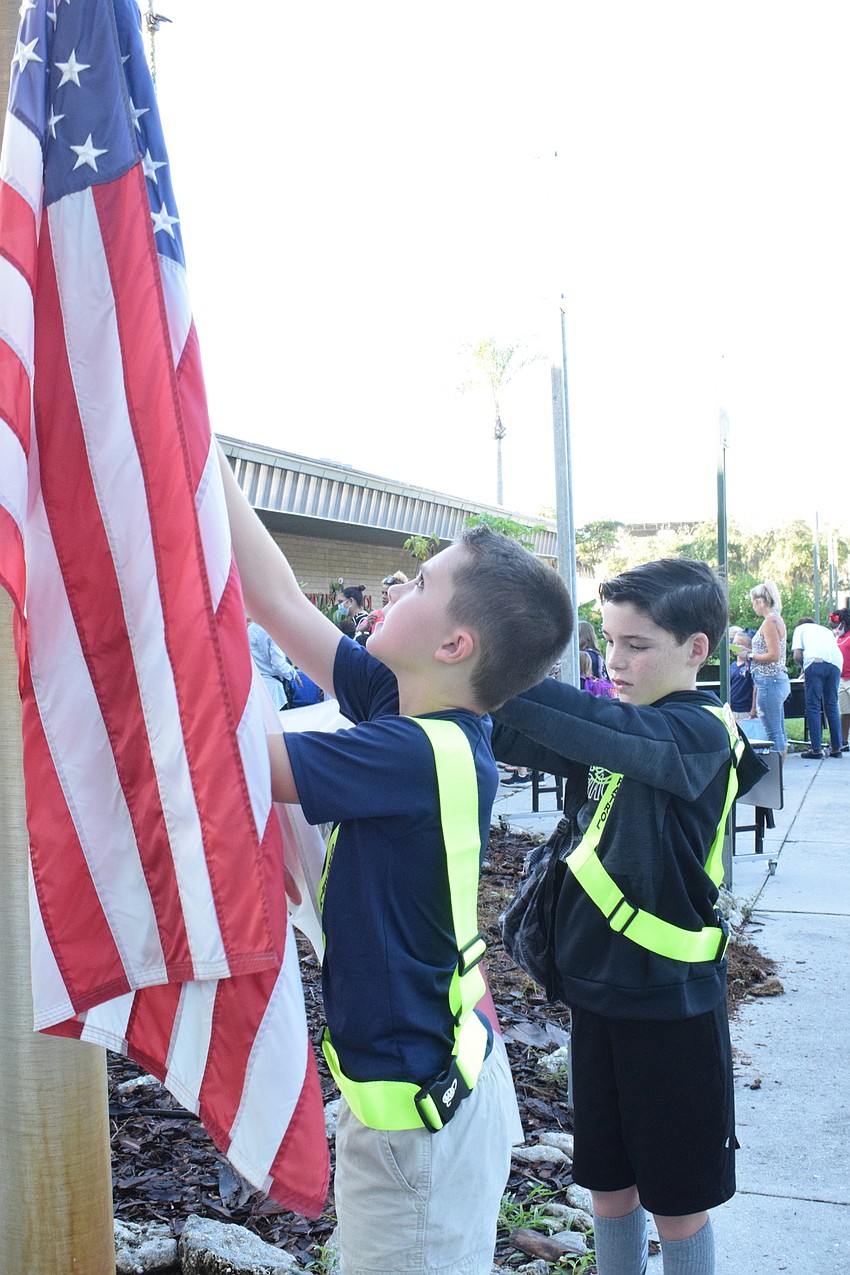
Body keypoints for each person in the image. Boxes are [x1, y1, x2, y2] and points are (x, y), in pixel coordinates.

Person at [217, 446, 574, 1275]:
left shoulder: (417, 751)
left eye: (421, 583)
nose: (397, 587)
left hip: (422, 1142)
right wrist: (197, 438)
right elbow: (272, 596)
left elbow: (225, 757)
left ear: (452, 642)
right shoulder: (412, 704)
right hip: (421, 1114)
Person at [490, 558, 766, 1275]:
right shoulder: (625, 725)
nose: (614, 659)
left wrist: (488, 676)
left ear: (696, 649)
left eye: (636, 644)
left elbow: (591, 725)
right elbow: (516, 734)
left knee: (677, 1201)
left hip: (671, 1003)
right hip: (597, 994)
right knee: (608, 1187)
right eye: (607, 640)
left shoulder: (698, 734)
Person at [789, 616, 843, 758]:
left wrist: (804, 668)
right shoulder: (825, 630)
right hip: (836, 663)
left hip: (815, 662)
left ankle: (816, 749)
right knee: (831, 705)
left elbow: (797, 655)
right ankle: (836, 748)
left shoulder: (800, 629)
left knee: (813, 706)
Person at [748, 581, 790, 755]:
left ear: (761, 602)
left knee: (773, 733)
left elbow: (774, 655)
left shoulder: (770, 622)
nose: (753, 606)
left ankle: (776, 778)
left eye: (753, 602)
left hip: (769, 681)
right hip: (774, 680)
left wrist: (749, 656)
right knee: (778, 730)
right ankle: (778, 777)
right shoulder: (775, 619)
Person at [247, 615, 297, 709]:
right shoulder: (274, 630)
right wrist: (293, 674)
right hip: (274, 690)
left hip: (256, 686)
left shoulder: (251, 629)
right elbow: (278, 664)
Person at [829, 607, 850, 749]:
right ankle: (843, 740)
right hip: (841, 678)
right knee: (844, 711)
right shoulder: (838, 638)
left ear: (844, 623)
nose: (837, 628)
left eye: (838, 625)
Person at [729, 631, 757, 722]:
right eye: (734, 644)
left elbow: (755, 687)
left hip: (746, 709)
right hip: (732, 708)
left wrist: (754, 709)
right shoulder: (732, 665)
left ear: (749, 647)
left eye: (740, 645)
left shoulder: (751, 666)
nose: (736, 647)